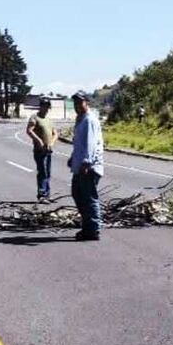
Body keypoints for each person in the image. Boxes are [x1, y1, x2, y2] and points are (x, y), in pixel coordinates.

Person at [68, 90, 104, 241]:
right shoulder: (81, 119)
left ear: (86, 102)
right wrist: (73, 158)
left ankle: (93, 229)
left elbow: (91, 144)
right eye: (75, 103)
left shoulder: (89, 120)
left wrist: (86, 162)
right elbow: (80, 144)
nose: (77, 105)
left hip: (88, 167)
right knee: (77, 194)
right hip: (80, 165)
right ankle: (88, 225)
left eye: (80, 102)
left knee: (89, 198)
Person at [25, 97, 57, 201]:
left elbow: (55, 133)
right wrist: (39, 141)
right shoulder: (35, 117)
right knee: (42, 172)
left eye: (48, 107)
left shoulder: (48, 120)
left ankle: (47, 194)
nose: (46, 109)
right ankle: (42, 194)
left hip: (48, 150)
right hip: (39, 150)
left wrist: (51, 143)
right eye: (44, 106)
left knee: (48, 172)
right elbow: (29, 130)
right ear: (40, 106)